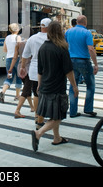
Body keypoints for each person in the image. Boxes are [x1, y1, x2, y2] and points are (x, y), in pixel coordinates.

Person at [31, 21, 79, 151]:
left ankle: (57, 138)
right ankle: (38, 133)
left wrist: (39, 85)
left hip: (45, 86)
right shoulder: (62, 48)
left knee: (54, 115)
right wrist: (74, 86)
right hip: (58, 87)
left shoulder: (43, 48)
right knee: (58, 117)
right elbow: (68, 70)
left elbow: (40, 70)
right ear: (60, 32)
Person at [19, 18, 52, 129]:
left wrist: (23, 67)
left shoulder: (32, 38)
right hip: (49, 68)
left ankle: (37, 116)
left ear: (41, 26)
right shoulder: (51, 38)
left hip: (34, 68)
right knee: (47, 93)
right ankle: (43, 116)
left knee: (36, 93)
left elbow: (25, 55)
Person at [65, 15, 98, 118]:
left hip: (71, 61)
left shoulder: (68, 32)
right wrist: (95, 64)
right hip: (84, 61)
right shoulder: (87, 32)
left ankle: (73, 111)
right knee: (90, 85)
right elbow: (91, 49)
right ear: (85, 22)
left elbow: (65, 46)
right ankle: (88, 109)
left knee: (73, 85)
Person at [0, 23, 22, 103]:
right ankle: (17, 95)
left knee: (9, 77)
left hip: (8, 58)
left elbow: (4, 49)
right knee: (19, 77)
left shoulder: (7, 37)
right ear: (17, 29)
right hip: (17, 59)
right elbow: (20, 48)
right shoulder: (18, 37)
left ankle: (3, 91)